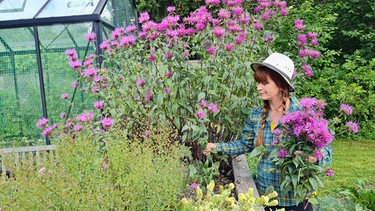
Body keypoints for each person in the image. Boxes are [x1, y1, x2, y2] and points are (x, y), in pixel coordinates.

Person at [203, 52, 332, 211]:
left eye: (264, 83)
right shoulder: (256, 114)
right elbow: (245, 145)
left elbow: (327, 151)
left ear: (280, 84)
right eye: (258, 82)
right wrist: (217, 147)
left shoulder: (304, 114)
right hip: (266, 197)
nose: (258, 87)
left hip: (297, 199)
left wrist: (314, 158)